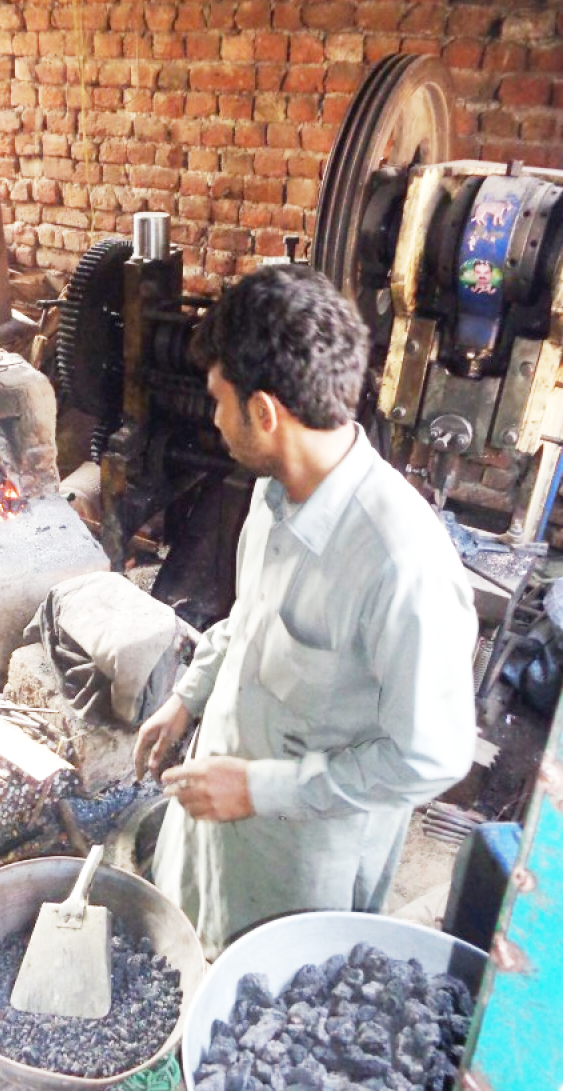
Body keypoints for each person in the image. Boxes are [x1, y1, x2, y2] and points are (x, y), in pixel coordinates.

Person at [134, 265, 478, 960]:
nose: (215, 420)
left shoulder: (400, 564)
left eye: (219, 402)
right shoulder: (275, 491)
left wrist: (259, 789)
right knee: (189, 953)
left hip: (298, 864)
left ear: (265, 412)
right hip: (216, 810)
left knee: (264, 997)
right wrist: (187, 698)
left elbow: (431, 755)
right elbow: (250, 618)